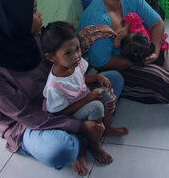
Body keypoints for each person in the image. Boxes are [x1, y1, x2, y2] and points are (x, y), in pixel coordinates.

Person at [0, 0, 124, 176]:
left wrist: (90, 86)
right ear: (13, 20)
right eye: (33, 11)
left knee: (113, 79)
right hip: (28, 122)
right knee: (60, 150)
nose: (40, 14)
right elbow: (25, 114)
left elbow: (67, 74)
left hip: (62, 99)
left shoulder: (35, 41)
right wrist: (79, 125)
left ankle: (84, 131)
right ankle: (82, 136)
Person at [41, 21, 129, 164]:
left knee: (107, 92)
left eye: (77, 48)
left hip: (82, 100)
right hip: (70, 114)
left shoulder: (75, 63)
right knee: (96, 106)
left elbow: (81, 79)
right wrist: (87, 99)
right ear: (51, 58)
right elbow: (58, 114)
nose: (76, 55)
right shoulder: (54, 86)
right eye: (68, 53)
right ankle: (93, 145)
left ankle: (106, 128)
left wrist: (97, 77)